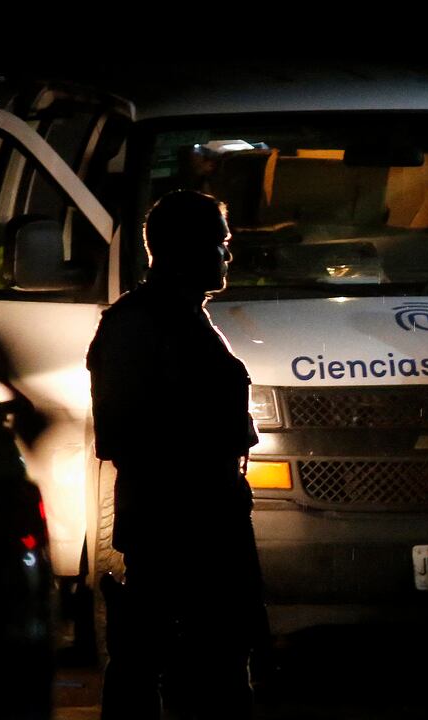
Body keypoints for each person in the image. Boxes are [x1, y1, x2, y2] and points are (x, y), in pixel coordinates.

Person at [87, 190, 263, 719]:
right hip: (180, 521)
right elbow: (124, 432)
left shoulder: (173, 319)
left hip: (196, 515)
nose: (227, 255)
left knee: (197, 657)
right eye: (219, 243)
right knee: (177, 661)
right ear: (187, 249)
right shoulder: (142, 324)